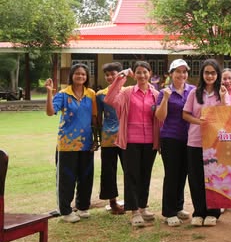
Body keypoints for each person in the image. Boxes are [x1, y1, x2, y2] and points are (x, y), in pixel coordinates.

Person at [183, 59, 231, 227]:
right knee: (196, 178)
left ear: (217, 75)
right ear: (202, 74)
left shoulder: (222, 92)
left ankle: (213, 212)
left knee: (214, 177)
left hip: (214, 143)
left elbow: (227, 115)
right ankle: (199, 212)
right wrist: (199, 122)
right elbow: (185, 114)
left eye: (213, 73)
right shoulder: (194, 93)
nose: (209, 76)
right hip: (195, 141)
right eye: (206, 72)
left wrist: (223, 96)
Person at [106, 61, 161, 227]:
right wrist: (121, 77)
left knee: (145, 174)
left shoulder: (155, 94)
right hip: (131, 140)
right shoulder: (127, 92)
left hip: (150, 141)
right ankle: (134, 211)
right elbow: (110, 99)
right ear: (134, 74)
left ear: (150, 73)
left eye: (145, 72)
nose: (142, 75)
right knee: (132, 176)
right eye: (138, 72)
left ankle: (143, 207)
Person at [45, 64, 97, 223]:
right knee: (66, 178)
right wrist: (49, 92)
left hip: (86, 143)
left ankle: (82, 207)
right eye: (77, 74)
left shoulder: (91, 94)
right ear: (72, 76)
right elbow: (50, 112)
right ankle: (65, 210)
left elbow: (94, 118)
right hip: (67, 144)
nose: (80, 76)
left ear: (87, 77)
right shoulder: (63, 94)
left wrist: (96, 139)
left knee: (86, 176)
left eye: (83, 74)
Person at [155, 59, 196, 227]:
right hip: (170, 138)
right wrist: (166, 98)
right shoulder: (164, 92)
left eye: (184, 71)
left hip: (189, 138)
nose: (181, 74)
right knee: (172, 174)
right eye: (178, 71)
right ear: (171, 74)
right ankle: (169, 212)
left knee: (183, 174)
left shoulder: (192, 90)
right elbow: (160, 117)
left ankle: (178, 207)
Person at [96, 62, 125, 215]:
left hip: (126, 136)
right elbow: (98, 118)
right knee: (108, 171)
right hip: (108, 137)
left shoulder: (128, 91)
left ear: (121, 75)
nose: (110, 77)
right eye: (107, 75)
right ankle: (112, 202)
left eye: (113, 74)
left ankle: (133, 200)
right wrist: (97, 137)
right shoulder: (100, 94)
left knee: (130, 169)